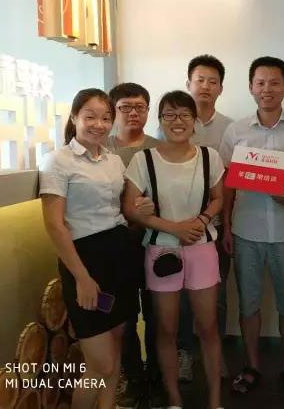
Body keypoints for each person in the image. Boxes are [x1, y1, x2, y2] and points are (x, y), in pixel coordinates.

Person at [39, 89, 153, 409]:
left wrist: (142, 208)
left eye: (105, 118)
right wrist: (82, 278)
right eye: (90, 117)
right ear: (74, 117)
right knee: (99, 363)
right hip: (84, 261)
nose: (99, 124)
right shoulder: (57, 161)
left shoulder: (113, 160)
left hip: (119, 257)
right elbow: (55, 225)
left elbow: (121, 208)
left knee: (115, 351)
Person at [219, 56, 284, 399]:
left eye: (275, 82)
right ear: (251, 87)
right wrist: (226, 226)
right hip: (245, 231)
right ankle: (252, 366)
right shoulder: (236, 131)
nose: (267, 89)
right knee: (248, 304)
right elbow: (227, 183)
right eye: (260, 82)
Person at [123, 91, 225, 409]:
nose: (177, 121)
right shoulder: (143, 160)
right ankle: (174, 399)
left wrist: (201, 220)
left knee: (208, 327)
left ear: (195, 121)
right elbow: (130, 209)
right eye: (169, 114)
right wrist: (173, 228)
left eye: (184, 115)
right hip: (161, 251)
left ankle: (215, 400)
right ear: (161, 120)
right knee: (166, 329)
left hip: (202, 247)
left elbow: (219, 198)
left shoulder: (209, 156)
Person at [170, 55, 234, 382]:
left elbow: (233, 183)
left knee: (217, 296)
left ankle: (215, 353)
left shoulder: (231, 128)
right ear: (188, 84)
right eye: (200, 80)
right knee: (180, 298)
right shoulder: (171, 124)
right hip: (175, 229)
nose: (205, 86)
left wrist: (228, 225)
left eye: (212, 81)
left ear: (221, 87)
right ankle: (184, 353)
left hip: (215, 226)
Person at [105, 83, 160, 409]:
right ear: (114, 111)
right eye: (125, 107)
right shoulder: (103, 148)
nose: (133, 113)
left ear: (148, 111)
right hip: (115, 243)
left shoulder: (159, 148)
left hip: (154, 239)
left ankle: (156, 374)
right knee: (124, 314)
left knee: (157, 311)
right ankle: (133, 376)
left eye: (140, 107)